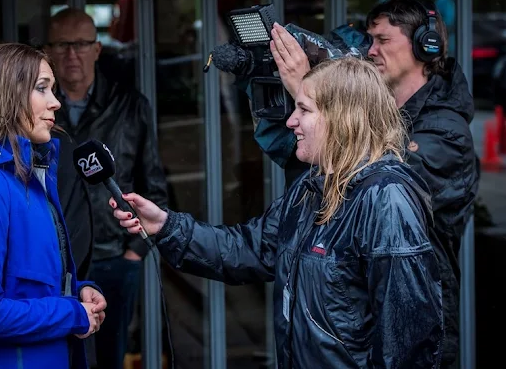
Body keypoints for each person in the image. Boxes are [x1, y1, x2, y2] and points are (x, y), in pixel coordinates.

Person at [111, 57, 444, 368]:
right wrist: (165, 226)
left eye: (304, 109)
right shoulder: (311, 188)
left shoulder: (385, 198)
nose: (291, 121)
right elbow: (247, 249)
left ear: (343, 117)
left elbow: (407, 340)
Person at [260, 0, 478, 368]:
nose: (370, 50)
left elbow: (367, 178)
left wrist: (309, 91)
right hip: (358, 319)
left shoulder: (447, 133)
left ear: (426, 45)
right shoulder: (379, 114)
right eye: (369, 39)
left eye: (383, 40)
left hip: (410, 329)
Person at [0, 43, 107, 369]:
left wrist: (77, 293)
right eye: (42, 88)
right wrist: (72, 314)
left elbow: (26, 284)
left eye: (53, 89)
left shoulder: (28, 180)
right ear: (5, 96)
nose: (56, 102)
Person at [45, 8, 169, 368]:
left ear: (97, 49)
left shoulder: (130, 106)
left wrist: (133, 252)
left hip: (114, 256)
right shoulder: (36, 112)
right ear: (49, 51)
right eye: (62, 44)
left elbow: (154, 183)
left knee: (110, 356)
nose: (72, 54)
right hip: (55, 261)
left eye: (81, 44)